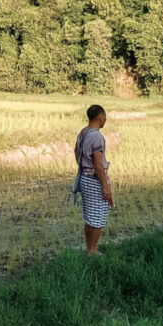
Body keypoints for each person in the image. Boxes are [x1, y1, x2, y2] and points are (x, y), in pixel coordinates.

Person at [74, 104, 114, 254]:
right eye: (105, 118)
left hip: (84, 177)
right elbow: (98, 163)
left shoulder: (82, 133)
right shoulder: (97, 136)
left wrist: (83, 166)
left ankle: (89, 248)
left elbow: (76, 152)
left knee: (89, 216)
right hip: (94, 179)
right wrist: (105, 185)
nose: (105, 120)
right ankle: (94, 250)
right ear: (100, 117)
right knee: (98, 216)